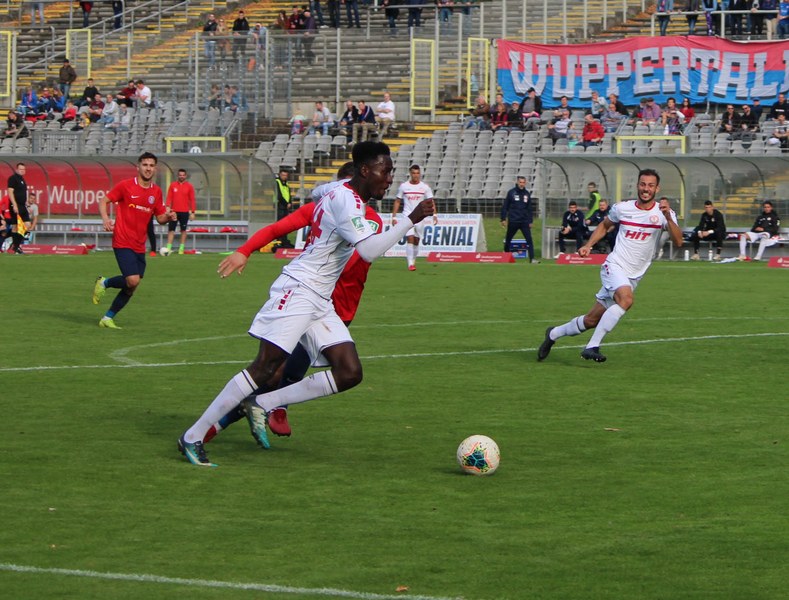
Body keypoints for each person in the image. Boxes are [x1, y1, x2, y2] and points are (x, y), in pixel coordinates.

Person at [178, 142, 435, 466]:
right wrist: (411, 219)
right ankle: (193, 436)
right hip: (299, 290)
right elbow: (368, 251)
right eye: (385, 172)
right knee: (264, 367)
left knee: (349, 372)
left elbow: (320, 194)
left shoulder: (340, 191)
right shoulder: (346, 200)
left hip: (319, 299)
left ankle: (263, 403)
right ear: (365, 171)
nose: (389, 179)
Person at [203, 164, 358, 445]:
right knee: (272, 371)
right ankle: (210, 428)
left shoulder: (366, 220)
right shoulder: (325, 208)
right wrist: (245, 250)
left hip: (333, 309)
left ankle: (264, 409)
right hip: (302, 300)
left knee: (289, 374)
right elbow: (278, 227)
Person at [538, 169, 683, 363]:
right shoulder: (622, 208)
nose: (645, 189)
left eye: (650, 185)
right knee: (626, 299)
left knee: (591, 320)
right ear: (637, 185)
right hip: (614, 266)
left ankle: (553, 334)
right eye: (642, 184)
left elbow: (678, 241)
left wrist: (668, 217)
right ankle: (592, 346)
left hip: (633, 276)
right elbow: (605, 225)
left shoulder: (664, 213)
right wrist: (588, 245)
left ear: (657, 189)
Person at [91, 153, 176, 329]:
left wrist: (168, 217)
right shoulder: (126, 186)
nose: (148, 168)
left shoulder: (156, 192)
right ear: (138, 167)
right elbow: (104, 200)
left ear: (155, 168)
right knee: (133, 280)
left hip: (139, 244)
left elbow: (160, 218)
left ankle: (107, 318)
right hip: (122, 240)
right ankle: (104, 282)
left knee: (131, 286)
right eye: (145, 165)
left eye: (151, 165)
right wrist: (106, 219)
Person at [391, 164, 436, 271]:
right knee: (410, 238)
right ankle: (410, 264)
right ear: (410, 174)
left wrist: (434, 215)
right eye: (414, 173)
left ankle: (413, 260)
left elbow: (431, 202)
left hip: (420, 216)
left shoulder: (425, 187)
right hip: (407, 215)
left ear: (419, 174)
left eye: (417, 173)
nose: (416, 175)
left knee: (416, 240)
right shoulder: (404, 186)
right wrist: (394, 217)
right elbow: (397, 201)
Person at [501, 176, 537, 263]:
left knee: (529, 240)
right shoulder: (511, 192)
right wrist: (503, 218)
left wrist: (530, 221)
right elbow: (505, 206)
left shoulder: (527, 194)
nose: (522, 184)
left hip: (524, 221)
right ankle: (506, 255)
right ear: (517, 182)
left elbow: (529, 209)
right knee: (508, 239)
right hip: (513, 220)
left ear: (525, 183)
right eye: (520, 182)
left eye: (523, 182)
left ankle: (532, 258)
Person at [164, 169, 196, 255]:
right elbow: (169, 197)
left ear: (185, 176)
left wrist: (193, 212)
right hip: (174, 212)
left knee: (183, 230)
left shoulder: (189, 186)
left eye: (183, 175)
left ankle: (181, 249)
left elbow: (192, 200)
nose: (181, 176)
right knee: (171, 230)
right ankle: (168, 248)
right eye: (180, 175)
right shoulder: (173, 185)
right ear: (178, 176)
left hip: (184, 212)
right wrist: (167, 207)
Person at [6, 163, 34, 254]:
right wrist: (14, 204)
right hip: (15, 205)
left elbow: (23, 194)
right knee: (15, 226)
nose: (22, 171)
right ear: (17, 169)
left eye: (23, 169)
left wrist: (27, 205)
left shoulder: (22, 180)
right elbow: (10, 192)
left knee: (27, 226)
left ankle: (15, 245)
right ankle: (16, 247)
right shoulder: (13, 178)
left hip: (22, 205)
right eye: (20, 169)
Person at [274, 168, 294, 248]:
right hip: (280, 206)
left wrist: (290, 202)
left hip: (285, 207)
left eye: (286, 175)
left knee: (285, 225)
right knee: (280, 225)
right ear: (280, 175)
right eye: (283, 175)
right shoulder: (277, 182)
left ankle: (284, 241)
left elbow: (288, 194)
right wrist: (286, 203)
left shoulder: (286, 183)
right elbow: (279, 195)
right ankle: (279, 241)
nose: (284, 177)